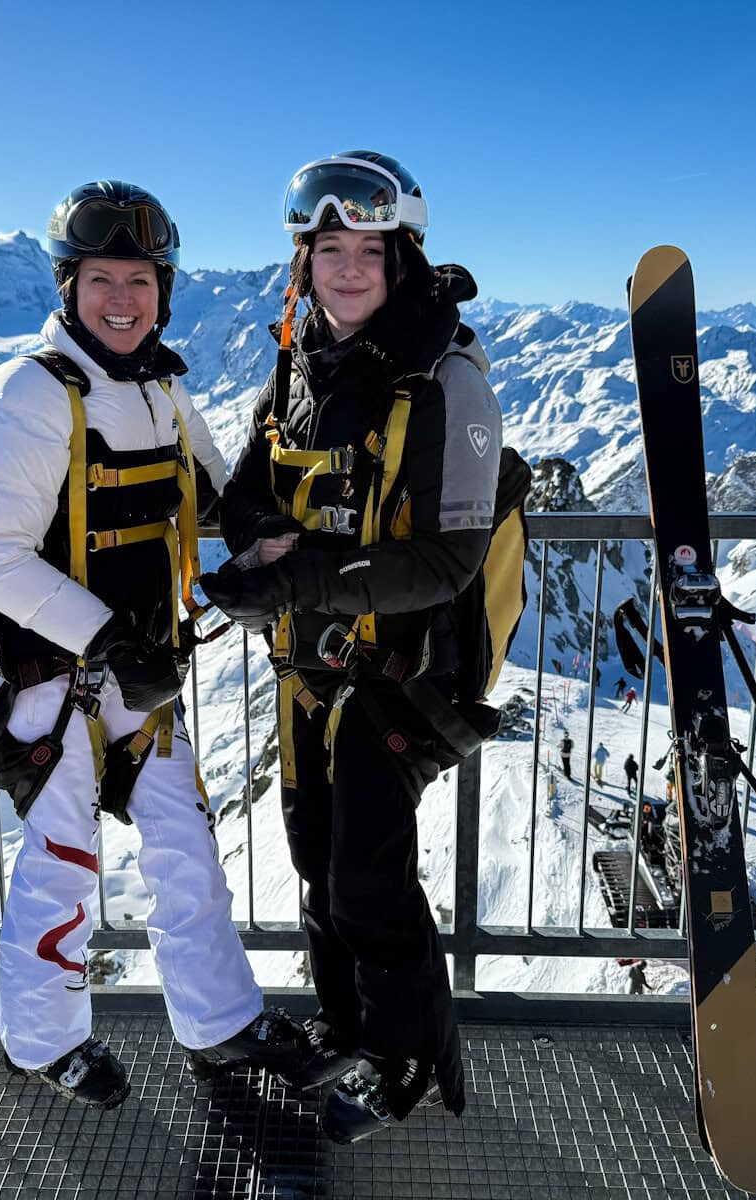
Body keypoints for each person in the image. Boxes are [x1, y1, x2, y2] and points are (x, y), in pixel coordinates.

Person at [200, 151, 530, 1143]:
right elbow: (250, 485)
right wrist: (249, 537)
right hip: (308, 667)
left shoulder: (443, 379)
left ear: (402, 257)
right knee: (314, 859)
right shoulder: (298, 358)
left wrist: (294, 579)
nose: (346, 269)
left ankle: (402, 1061)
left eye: (367, 251)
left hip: (403, 674)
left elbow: (444, 561)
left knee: (366, 878)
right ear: (303, 262)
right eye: (326, 248)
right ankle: (346, 1027)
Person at [0, 179, 306, 1106]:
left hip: (141, 670)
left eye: (142, 280)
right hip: (55, 675)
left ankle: (219, 1024)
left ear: (165, 289)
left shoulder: (158, 384)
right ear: (68, 286)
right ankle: (41, 1041)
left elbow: (216, 486)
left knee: (182, 845)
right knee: (64, 858)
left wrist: (262, 546)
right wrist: (110, 638)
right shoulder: (24, 395)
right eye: (103, 278)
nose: (123, 299)